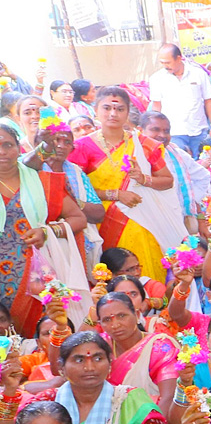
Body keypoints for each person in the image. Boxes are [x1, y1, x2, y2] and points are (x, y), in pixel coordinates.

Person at [67, 86, 185, 285]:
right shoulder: (81, 147)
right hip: (99, 221)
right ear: (95, 110)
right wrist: (116, 194)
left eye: (120, 109)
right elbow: (73, 191)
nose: (113, 113)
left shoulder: (143, 144)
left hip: (141, 217)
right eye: (107, 108)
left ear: (128, 112)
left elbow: (167, 181)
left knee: (146, 269)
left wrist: (143, 179)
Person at [0, 123, 87, 337]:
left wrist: (46, 232)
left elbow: (79, 219)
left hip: (38, 275)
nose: (2, 152)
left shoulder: (42, 183)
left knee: (42, 333)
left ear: (19, 148)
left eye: (8, 145)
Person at [147, 44, 211, 157]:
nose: (165, 66)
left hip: (199, 131)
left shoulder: (198, 74)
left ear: (179, 58)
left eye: (168, 62)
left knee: (203, 165)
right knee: (180, 165)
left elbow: (208, 101)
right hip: (174, 133)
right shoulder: (157, 79)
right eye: (162, 63)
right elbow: (157, 107)